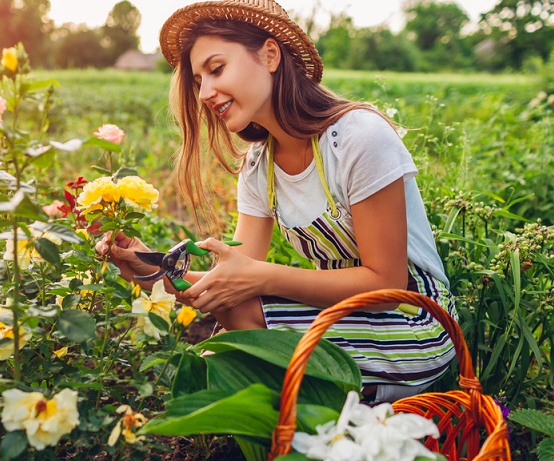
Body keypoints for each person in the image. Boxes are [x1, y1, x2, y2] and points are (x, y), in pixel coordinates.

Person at [96, 0, 456, 403]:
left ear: (269, 55)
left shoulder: (358, 138)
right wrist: (152, 269)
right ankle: (332, 417)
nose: (205, 93)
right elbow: (231, 285)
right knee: (235, 314)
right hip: (349, 315)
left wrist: (263, 276)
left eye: (216, 70)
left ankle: (335, 419)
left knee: (240, 346)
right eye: (199, 81)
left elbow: (387, 283)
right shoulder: (259, 166)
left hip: (415, 320)